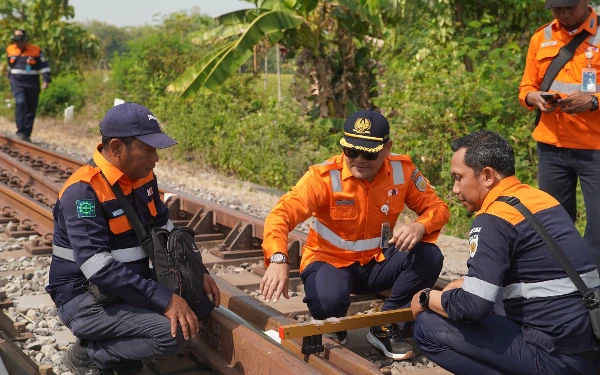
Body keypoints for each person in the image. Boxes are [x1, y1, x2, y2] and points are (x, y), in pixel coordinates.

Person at [46, 102, 221, 375]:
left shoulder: (142, 177)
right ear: (116, 147)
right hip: (84, 297)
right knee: (172, 334)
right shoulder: (83, 192)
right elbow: (98, 268)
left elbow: (166, 228)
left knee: (201, 303)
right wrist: (164, 300)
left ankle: (122, 346)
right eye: (148, 150)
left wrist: (198, 272)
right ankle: (90, 354)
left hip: (125, 288)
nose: (156, 159)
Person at [260, 110, 448, 360]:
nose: (358, 159)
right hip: (330, 262)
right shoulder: (323, 177)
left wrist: (420, 226)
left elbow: (438, 208)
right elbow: (281, 214)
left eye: (368, 153)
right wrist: (278, 259)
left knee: (430, 255)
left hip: (377, 262)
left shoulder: (403, 171)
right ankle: (335, 323)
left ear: (387, 148)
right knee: (328, 303)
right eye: (351, 151)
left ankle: (386, 326)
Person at [411, 130, 600, 375]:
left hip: (555, 359)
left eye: (459, 178)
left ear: (487, 175)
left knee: (427, 327)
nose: (455, 190)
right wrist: (465, 283)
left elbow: (473, 306)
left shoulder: (493, 217)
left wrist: (426, 297)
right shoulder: (542, 199)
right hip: (588, 349)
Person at [518, 0, 600, 269]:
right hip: (552, 148)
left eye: (569, 8)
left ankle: (593, 288)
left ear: (586, 2)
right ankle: (563, 283)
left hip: (595, 148)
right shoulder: (541, 38)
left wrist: (594, 101)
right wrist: (534, 97)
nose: (563, 15)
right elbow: (526, 86)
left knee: (598, 226)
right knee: (554, 222)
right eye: (557, 9)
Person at [5, 29, 51, 142]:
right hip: (17, 83)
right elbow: (9, 66)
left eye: (20, 41)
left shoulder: (36, 51)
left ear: (26, 40)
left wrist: (46, 80)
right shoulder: (11, 50)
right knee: (20, 102)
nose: (18, 43)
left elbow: (44, 66)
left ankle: (26, 134)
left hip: (32, 84)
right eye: (16, 41)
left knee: (31, 109)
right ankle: (20, 131)